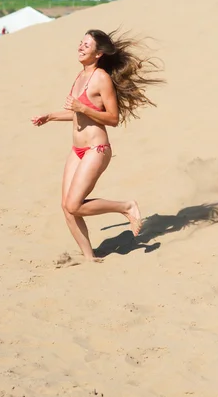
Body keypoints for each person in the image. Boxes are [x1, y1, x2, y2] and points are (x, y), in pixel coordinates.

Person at [32, 29, 162, 262]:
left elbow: (112, 118)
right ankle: (89, 257)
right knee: (67, 206)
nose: (80, 47)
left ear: (99, 53)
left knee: (74, 204)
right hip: (77, 150)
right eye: (80, 43)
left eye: (86, 45)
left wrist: (83, 108)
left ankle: (126, 207)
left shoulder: (101, 78)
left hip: (96, 149)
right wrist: (50, 116)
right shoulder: (80, 76)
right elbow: (77, 115)